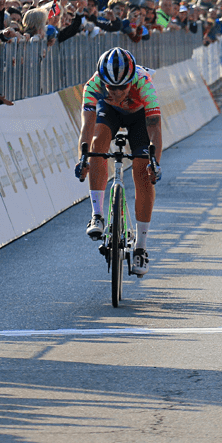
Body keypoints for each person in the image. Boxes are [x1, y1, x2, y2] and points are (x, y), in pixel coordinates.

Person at [76, 48, 163, 275]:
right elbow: (87, 126)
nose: (115, 91)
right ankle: (97, 215)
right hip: (110, 113)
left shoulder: (144, 84)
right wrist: (82, 159)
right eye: (110, 87)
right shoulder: (93, 86)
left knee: (142, 170)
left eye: (121, 87)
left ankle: (141, 248)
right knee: (97, 145)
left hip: (139, 117)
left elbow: (154, 127)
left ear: (131, 81)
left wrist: (155, 163)